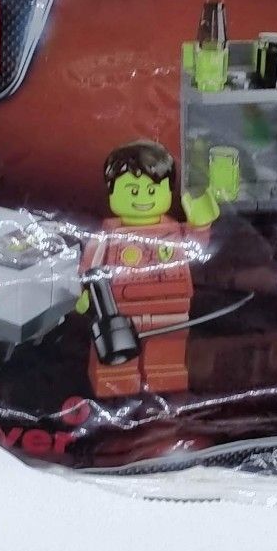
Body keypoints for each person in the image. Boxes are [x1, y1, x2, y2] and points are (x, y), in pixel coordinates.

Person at [77, 140, 219, 397]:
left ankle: (165, 382)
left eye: (152, 190)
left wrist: (200, 226)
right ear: (111, 191)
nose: (143, 198)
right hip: (120, 309)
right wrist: (86, 294)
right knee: (118, 354)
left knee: (167, 351)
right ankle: (115, 383)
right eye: (133, 191)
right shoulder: (106, 237)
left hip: (172, 305)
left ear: (168, 191)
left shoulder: (175, 231)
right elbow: (90, 268)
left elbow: (196, 248)